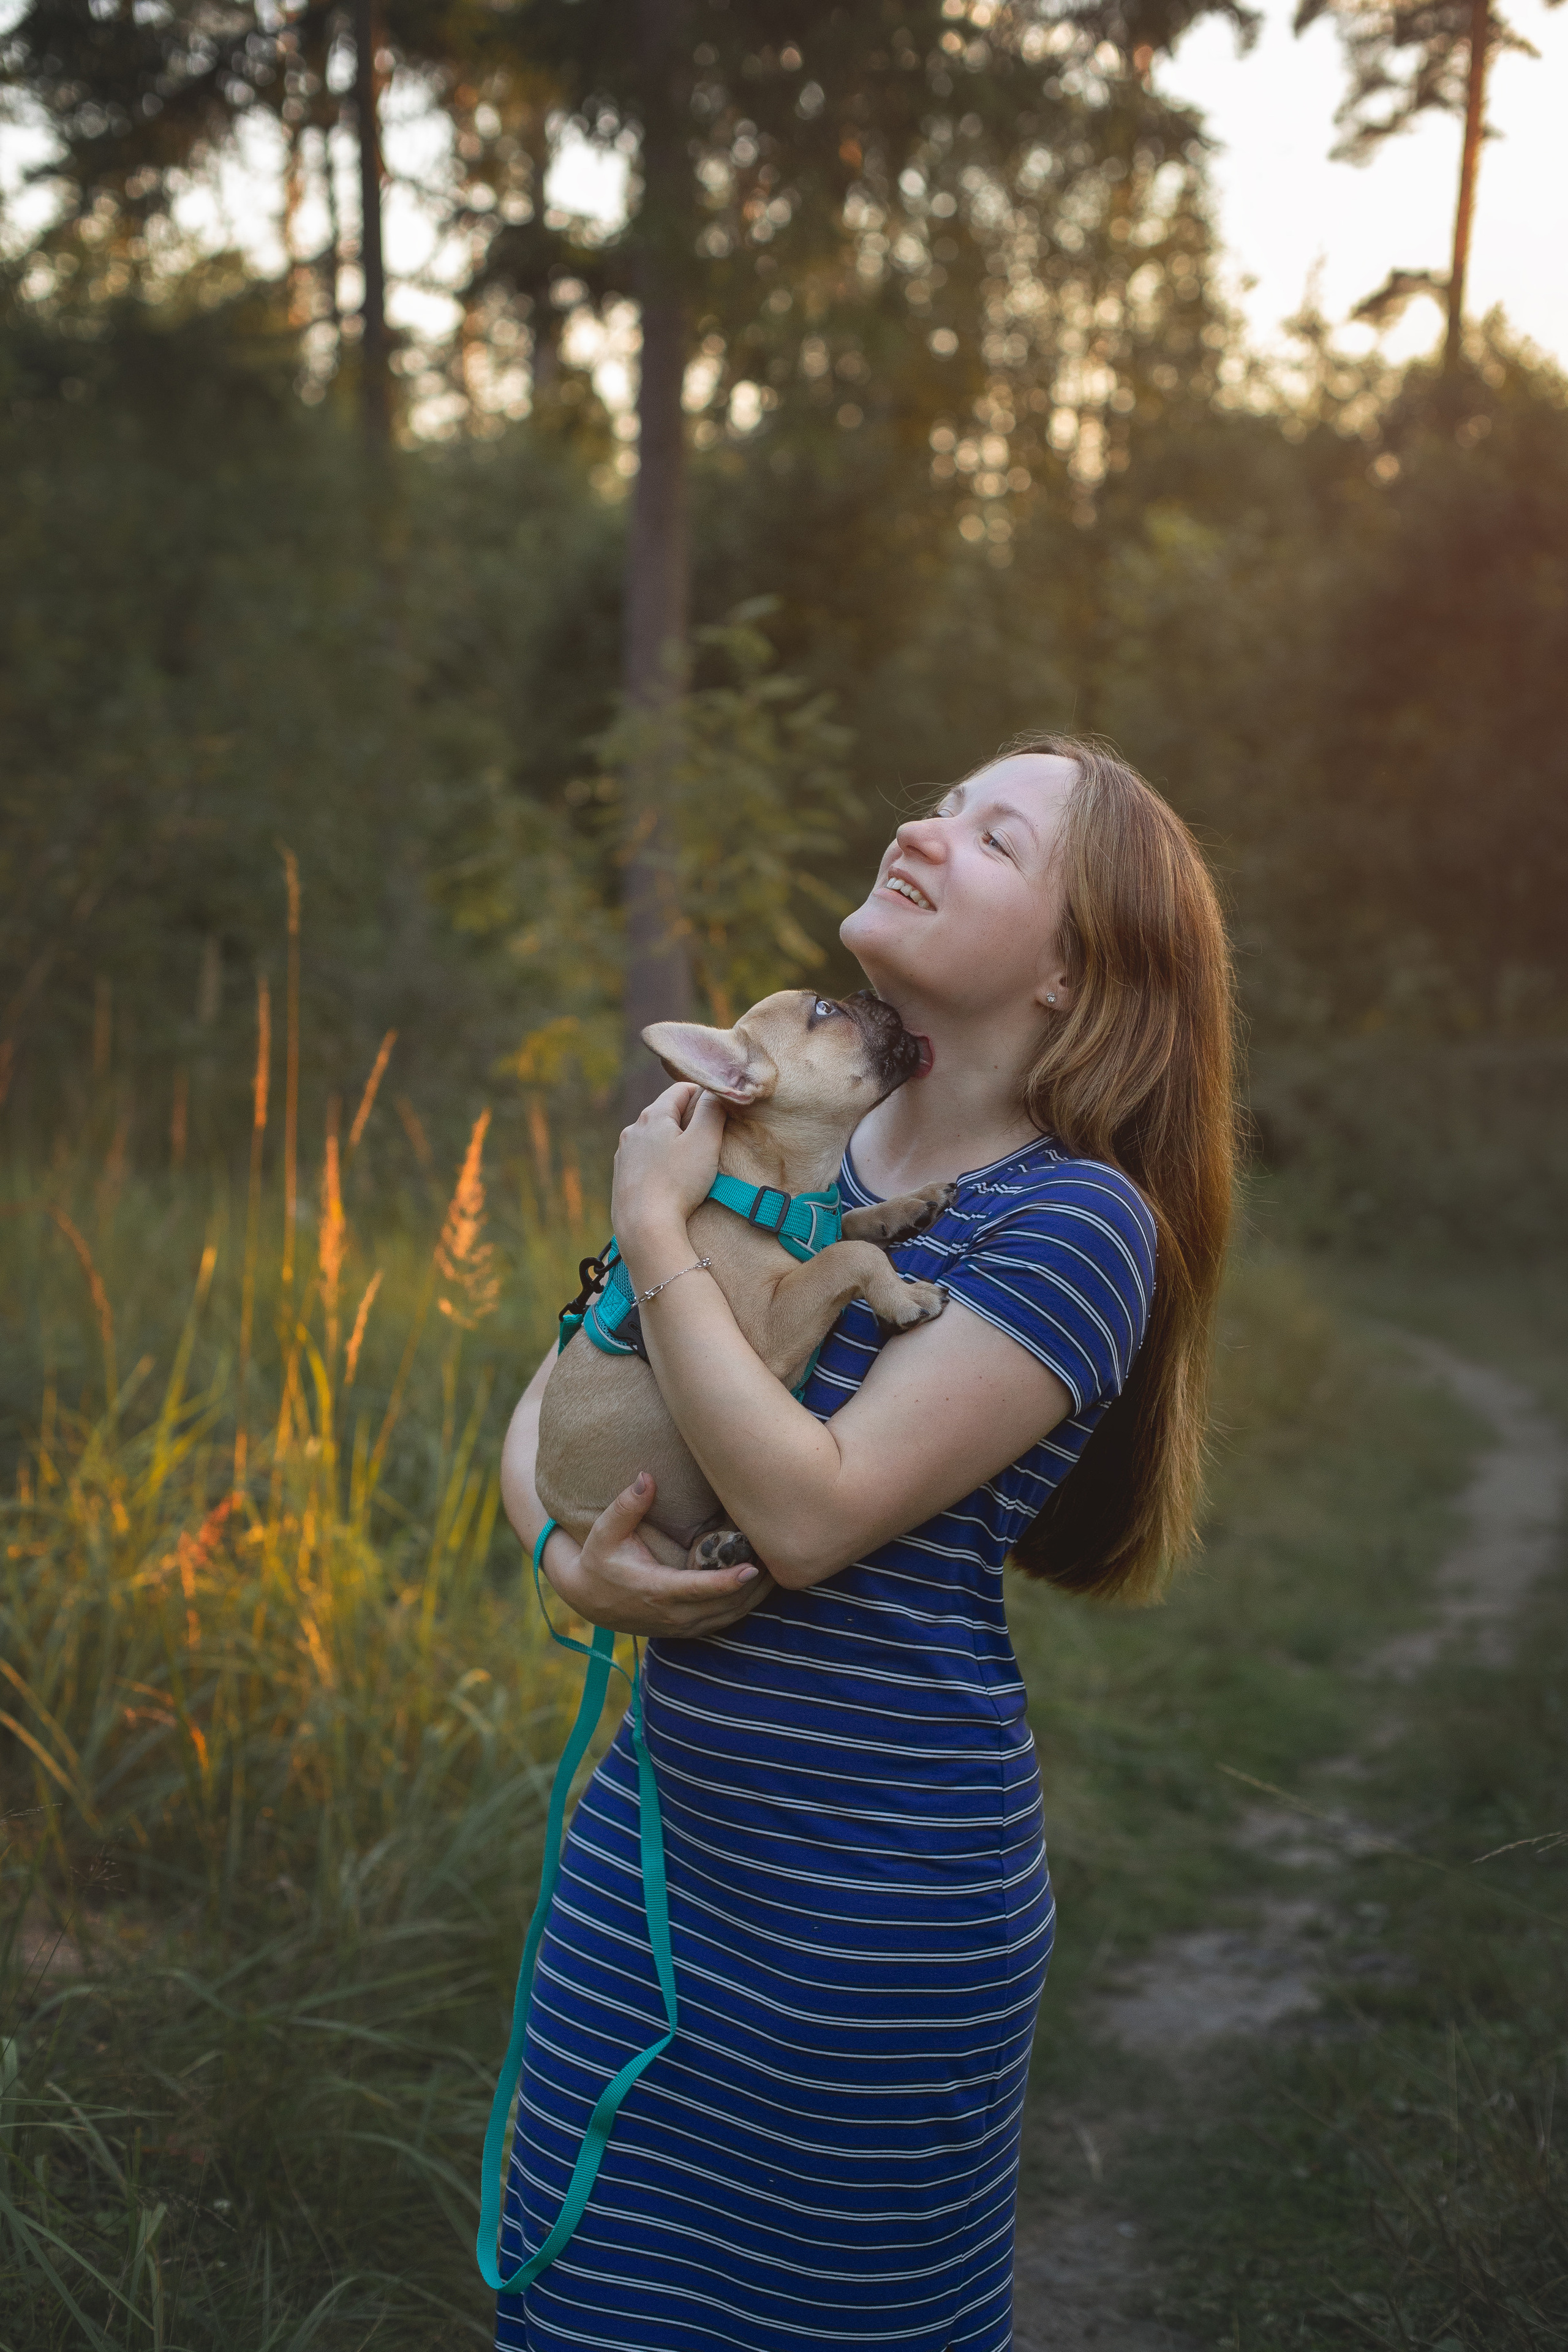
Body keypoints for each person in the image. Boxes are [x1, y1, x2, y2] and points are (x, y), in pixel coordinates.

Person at [494, 734, 1235, 2351]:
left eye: (993, 833)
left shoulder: (1077, 1220)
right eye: (940, 801)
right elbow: (544, 1413)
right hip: (649, 1857)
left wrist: (651, 1227)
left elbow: (811, 1512)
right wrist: (569, 1564)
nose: (924, 825)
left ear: (1069, 971)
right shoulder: (797, 1137)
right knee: (582, 2308)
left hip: (870, 1917)